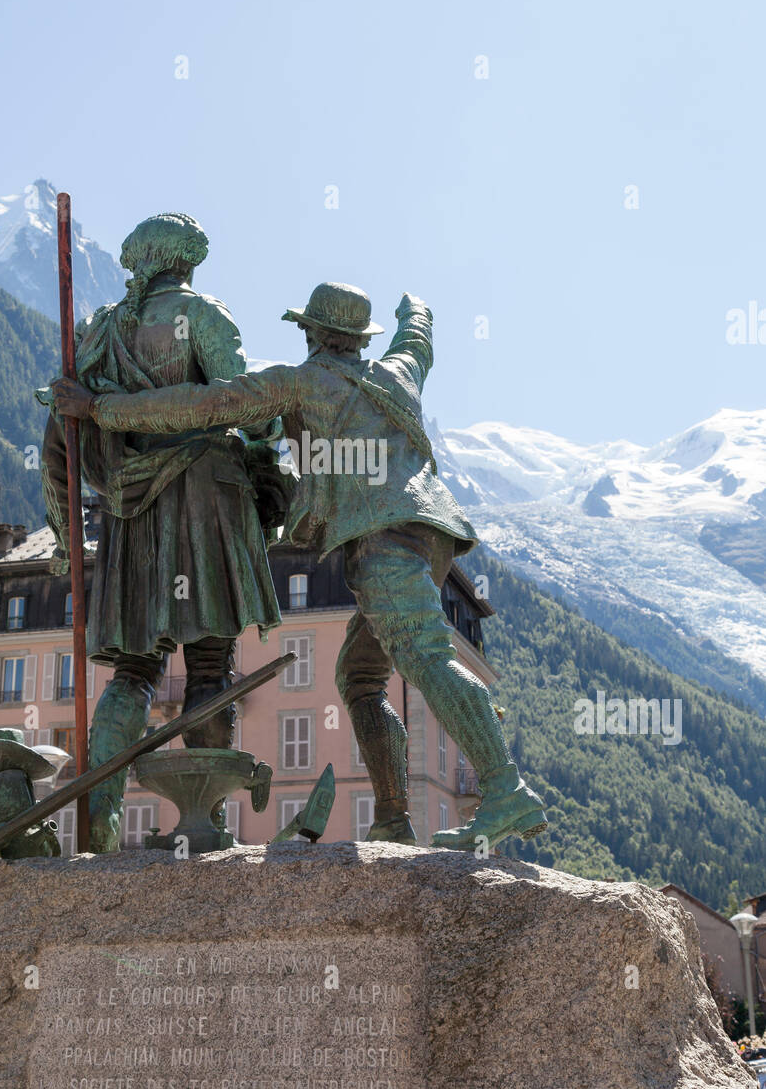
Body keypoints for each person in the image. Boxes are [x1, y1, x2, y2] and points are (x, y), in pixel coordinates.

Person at [52, 281, 547, 851]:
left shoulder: (298, 381)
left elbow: (205, 405)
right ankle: (392, 816)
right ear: (360, 340)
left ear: (311, 331)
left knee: (425, 655)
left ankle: (505, 789)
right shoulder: (399, 371)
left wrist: (98, 408)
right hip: (432, 533)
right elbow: (419, 337)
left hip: (381, 535)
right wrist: (415, 303)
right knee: (360, 677)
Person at [41, 213, 283, 852]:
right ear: (185, 262)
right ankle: (205, 824)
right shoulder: (205, 316)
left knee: (132, 673)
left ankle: (101, 821)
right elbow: (245, 405)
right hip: (207, 497)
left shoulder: (99, 332)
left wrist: (66, 531)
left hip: (133, 508)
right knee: (209, 663)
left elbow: (57, 438)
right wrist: (272, 438)